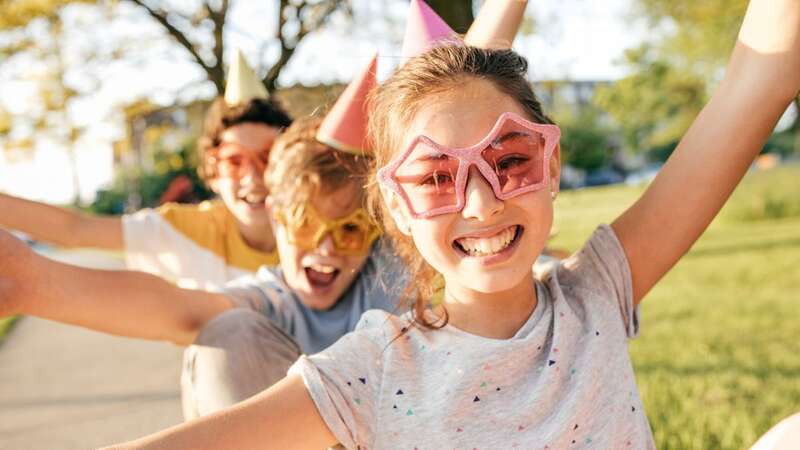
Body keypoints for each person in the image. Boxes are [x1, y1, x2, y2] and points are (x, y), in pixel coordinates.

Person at [97, 0, 800, 448]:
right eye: (436, 176)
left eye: (511, 159)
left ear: (552, 164)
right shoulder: (372, 369)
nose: (480, 203)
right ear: (396, 205)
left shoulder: (599, 292)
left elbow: (758, 78)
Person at [0, 117, 406, 421]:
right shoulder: (272, 294)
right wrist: (32, 284)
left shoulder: (392, 267)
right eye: (305, 223)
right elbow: (180, 309)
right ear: (277, 217)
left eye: (350, 229)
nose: (326, 247)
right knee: (228, 331)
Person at [0, 50, 292, 289]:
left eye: (267, 158)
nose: (253, 177)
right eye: (234, 161)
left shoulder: (322, 230)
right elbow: (76, 230)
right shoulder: (189, 228)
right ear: (213, 172)